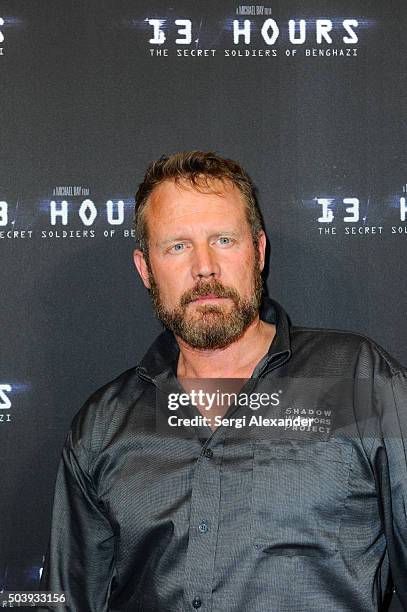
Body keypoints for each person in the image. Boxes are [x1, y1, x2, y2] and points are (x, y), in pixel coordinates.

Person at [39, 151, 407, 611]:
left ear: (259, 251)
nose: (205, 267)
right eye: (177, 245)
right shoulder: (102, 426)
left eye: (224, 240)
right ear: (145, 268)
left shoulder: (360, 381)